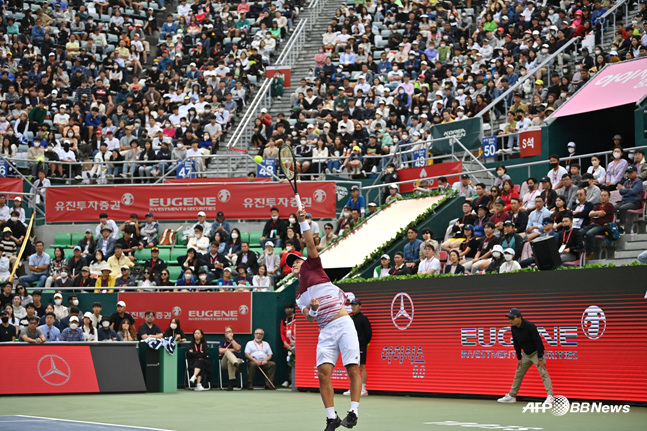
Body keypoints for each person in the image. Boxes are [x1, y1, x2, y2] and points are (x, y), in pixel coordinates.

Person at [288, 207, 361, 430]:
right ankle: (331, 417)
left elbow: (310, 243)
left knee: (352, 369)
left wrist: (303, 222)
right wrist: (313, 310)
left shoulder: (313, 265)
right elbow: (308, 318)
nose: (294, 265)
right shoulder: (300, 295)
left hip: (343, 323)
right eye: (291, 264)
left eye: (296, 261)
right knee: (323, 373)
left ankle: (353, 412)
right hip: (326, 330)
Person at [498, 308, 554, 405]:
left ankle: (550, 397)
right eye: (509, 319)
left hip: (537, 353)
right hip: (526, 354)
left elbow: (538, 342)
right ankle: (512, 396)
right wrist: (519, 358)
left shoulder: (530, 326)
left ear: (519, 318)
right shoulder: (513, 328)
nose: (510, 321)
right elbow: (516, 343)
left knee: (543, 373)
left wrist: (540, 358)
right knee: (518, 373)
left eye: (512, 318)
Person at [343, 299, 371, 397]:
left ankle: (363, 389)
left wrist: (363, 344)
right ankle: (354, 388)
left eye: (355, 305)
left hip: (360, 346)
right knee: (352, 367)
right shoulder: (349, 319)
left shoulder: (364, 319)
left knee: (361, 367)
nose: (353, 307)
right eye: (352, 305)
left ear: (360, 306)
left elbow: (368, 334)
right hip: (351, 346)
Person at [582, 190, 614, 260]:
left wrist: (595, 213)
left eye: (605, 196)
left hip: (601, 226)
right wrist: (597, 213)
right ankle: (580, 250)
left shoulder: (609, 206)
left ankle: (590, 252)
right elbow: (590, 214)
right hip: (592, 225)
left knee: (589, 234)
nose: (603, 197)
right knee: (579, 232)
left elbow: (602, 213)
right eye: (601, 196)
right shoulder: (597, 206)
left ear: (609, 197)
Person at [616, 166, 644, 233]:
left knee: (622, 208)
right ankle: (612, 226)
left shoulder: (638, 181)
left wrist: (626, 190)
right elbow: (621, 191)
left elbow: (634, 191)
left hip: (635, 202)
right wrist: (629, 190)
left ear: (636, 172)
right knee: (612, 207)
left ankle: (622, 227)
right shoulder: (626, 182)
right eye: (628, 173)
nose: (629, 174)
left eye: (631, 172)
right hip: (625, 201)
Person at [219, 325, 245, 390]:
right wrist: (233, 350)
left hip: (237, 359)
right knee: (227, 353)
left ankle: (231, 383)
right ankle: (235, 364)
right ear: (224, 334)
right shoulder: (222, 342)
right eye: (226, 332)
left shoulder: (237, 340)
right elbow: (221, 351)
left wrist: (231, 339)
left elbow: (238, 348)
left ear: (232, 333)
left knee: (230, 362)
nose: (228, 334)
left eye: (229, 332)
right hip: (224, 363)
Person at [280, 303, 297, 387]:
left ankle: (294, 381)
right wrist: (285, 343)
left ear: (292, 309)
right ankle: (287, 380)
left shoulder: (297, 318)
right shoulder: (284, 320)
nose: (287, 310)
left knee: (295, 363)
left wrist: (295, 343)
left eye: (289, 308)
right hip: (286, 346)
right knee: (288, 364)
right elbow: (282, 333)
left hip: (296, 345)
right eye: (286, 309)